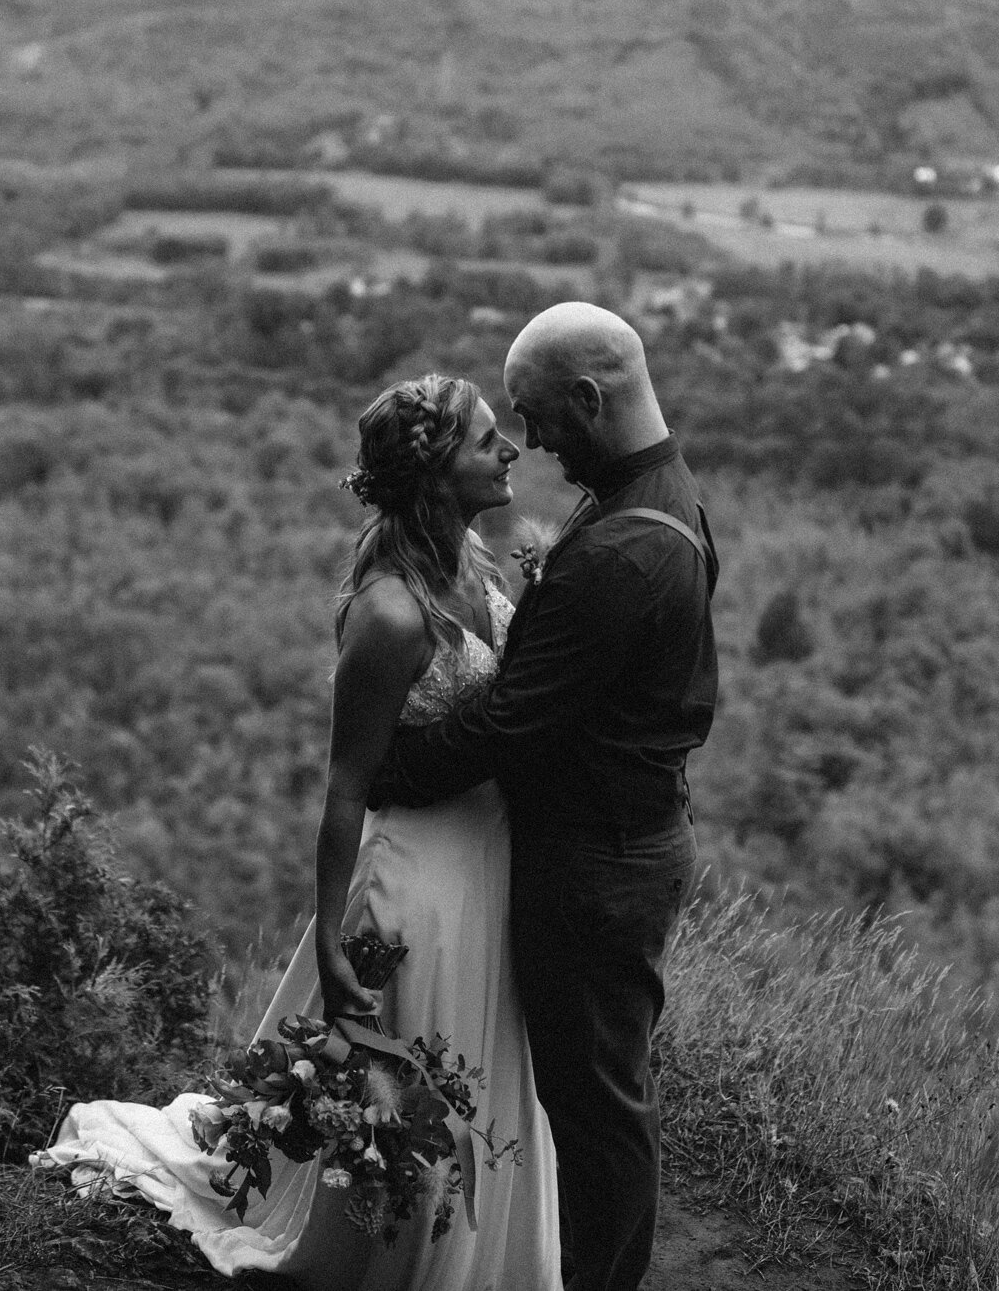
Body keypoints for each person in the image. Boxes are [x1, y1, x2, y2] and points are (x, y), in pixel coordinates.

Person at [32, 373, 560, 1291]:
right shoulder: (392, 615)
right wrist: (329, 934)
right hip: (420, 881)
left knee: (482, 1067)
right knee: (420, 1092)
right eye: (485, 440)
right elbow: (345, 788)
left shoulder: (474, 559)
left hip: (491, 855)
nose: (508, 449)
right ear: (438, 472)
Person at [370, 303, 719, 1291]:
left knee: (597, 1107)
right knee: (590, 1088)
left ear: (588, 397)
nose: (528, 443)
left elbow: (510, 726)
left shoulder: (621, 550)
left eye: (533, 415)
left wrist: (384, 774)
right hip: (625, 837)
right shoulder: (660, 495)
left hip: (597, 862)